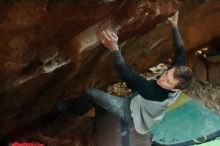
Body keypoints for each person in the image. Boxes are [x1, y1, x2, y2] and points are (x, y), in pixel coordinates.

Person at [56, 11, 194, 134]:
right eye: (166, 74)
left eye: (167, 81)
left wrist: (114, 48)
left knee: (90, 94)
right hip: (142, 101)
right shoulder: (177, 72)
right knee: (139, 86)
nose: (162, 78)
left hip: (132, 113)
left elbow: (127, 75)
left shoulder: (155, 93)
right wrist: (174, 26)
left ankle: (73, 110)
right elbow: (180, 50)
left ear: (175, 88)